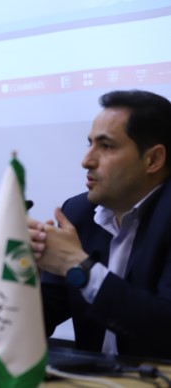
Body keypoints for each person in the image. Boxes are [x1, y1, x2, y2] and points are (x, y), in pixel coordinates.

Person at [30, 90, 171, 359]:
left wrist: (79, 266)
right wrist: (22, 274)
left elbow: (165, 329)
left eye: (106, 146)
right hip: (91, 377)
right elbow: (39, 320)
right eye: (90, 144)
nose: (87, 160)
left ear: (153, 160)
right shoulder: (79, 212)